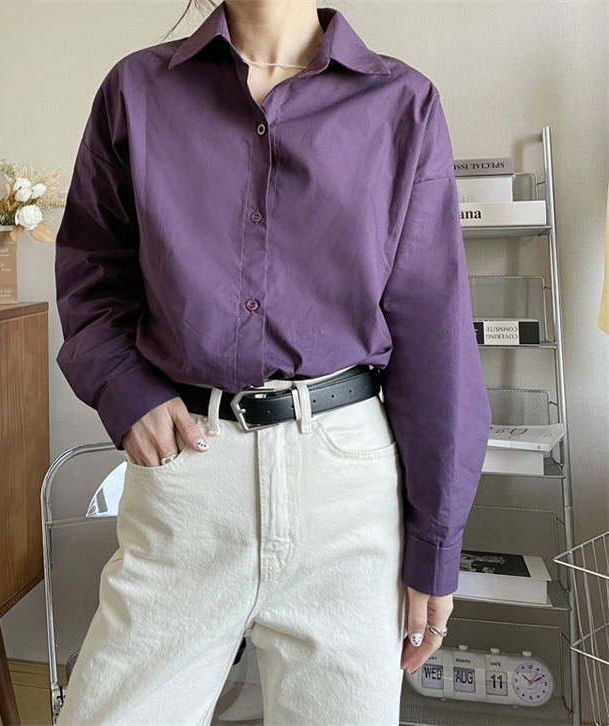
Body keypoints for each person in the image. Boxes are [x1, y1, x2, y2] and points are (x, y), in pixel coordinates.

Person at [53, 1, 492, 724]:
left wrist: (436, 544)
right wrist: (124, 389)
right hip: (189, 473)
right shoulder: (136, 90)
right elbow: (91, 277)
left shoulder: (401, 103)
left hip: (347, 490)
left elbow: (434, 333)